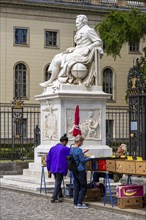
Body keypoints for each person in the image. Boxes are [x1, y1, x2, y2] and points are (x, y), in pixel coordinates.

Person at [40, 14, 103, 87]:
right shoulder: (80, 31)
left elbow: (98, 41)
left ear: (83, 22)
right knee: (56, 56)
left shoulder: (88, 30)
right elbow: (80, 44)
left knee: (58, 61)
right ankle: (53, 80)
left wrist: (89, 48)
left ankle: (51, 81)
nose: (76, 25)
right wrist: (73, 48)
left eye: (77, 23)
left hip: (83, 54)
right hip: (77, 51)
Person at [46, 134, 70, 203]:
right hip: (60, 168)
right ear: (65, 142)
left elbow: (48, 159)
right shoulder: (65, 149)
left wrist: (49, 170)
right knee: (58, 182)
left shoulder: (52, 148)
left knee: (57, 181)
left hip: (53, 168)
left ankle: (60, 195)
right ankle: (54, 197)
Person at [71, 135, 91, 209]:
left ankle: (75, 203)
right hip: (80, 169)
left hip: (74, 170)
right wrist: (89, 158)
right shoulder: (79, 150)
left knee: (76, 187)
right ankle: (79, 203)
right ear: (79, 142)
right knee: (83, 187)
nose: (82, 143)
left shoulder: (71, 149)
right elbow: (82, 160)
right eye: (82, 141)